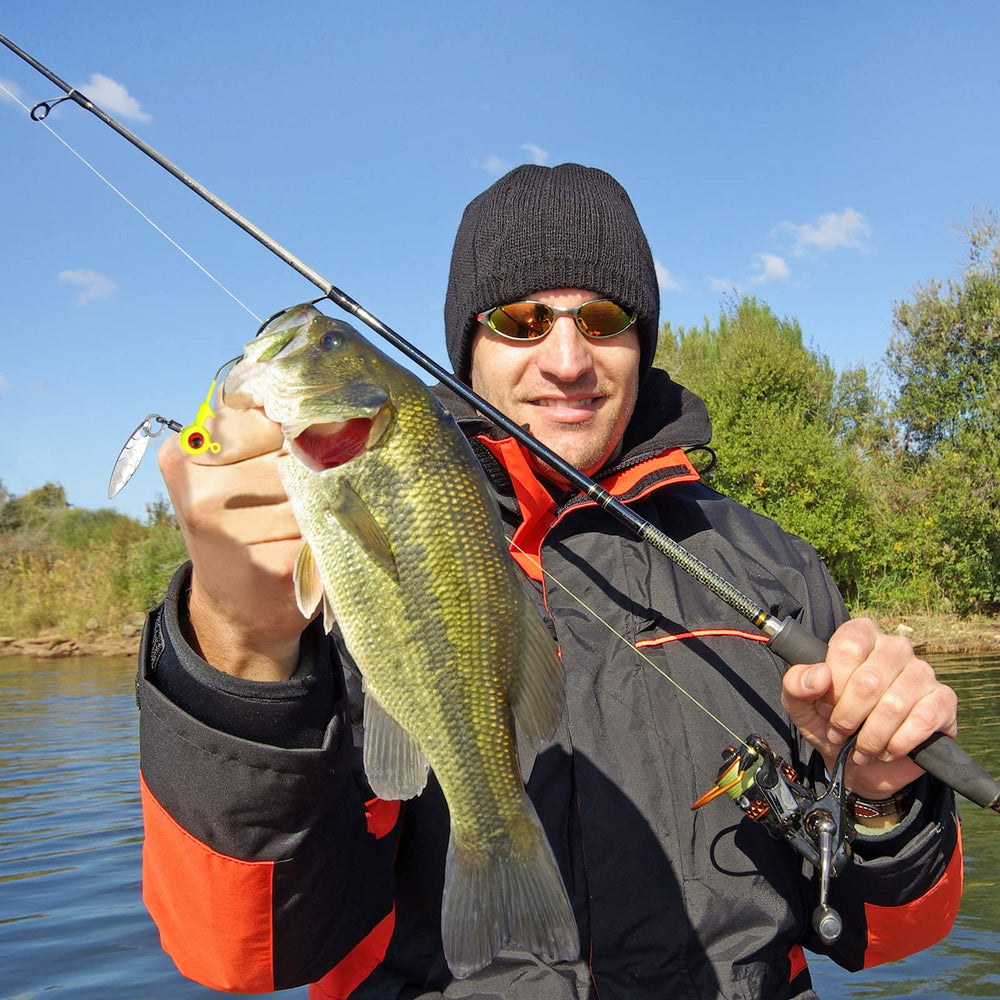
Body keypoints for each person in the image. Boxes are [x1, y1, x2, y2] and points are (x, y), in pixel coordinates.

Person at [138, 163, 962, 1000]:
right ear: (468, 345)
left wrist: (883, 797)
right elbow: (242, 956)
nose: (567, 359)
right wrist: (239, 648)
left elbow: (890, 935)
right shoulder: (291, 576)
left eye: (603, 319)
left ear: (642, 340)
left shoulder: (774, 569)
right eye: (521, 320)